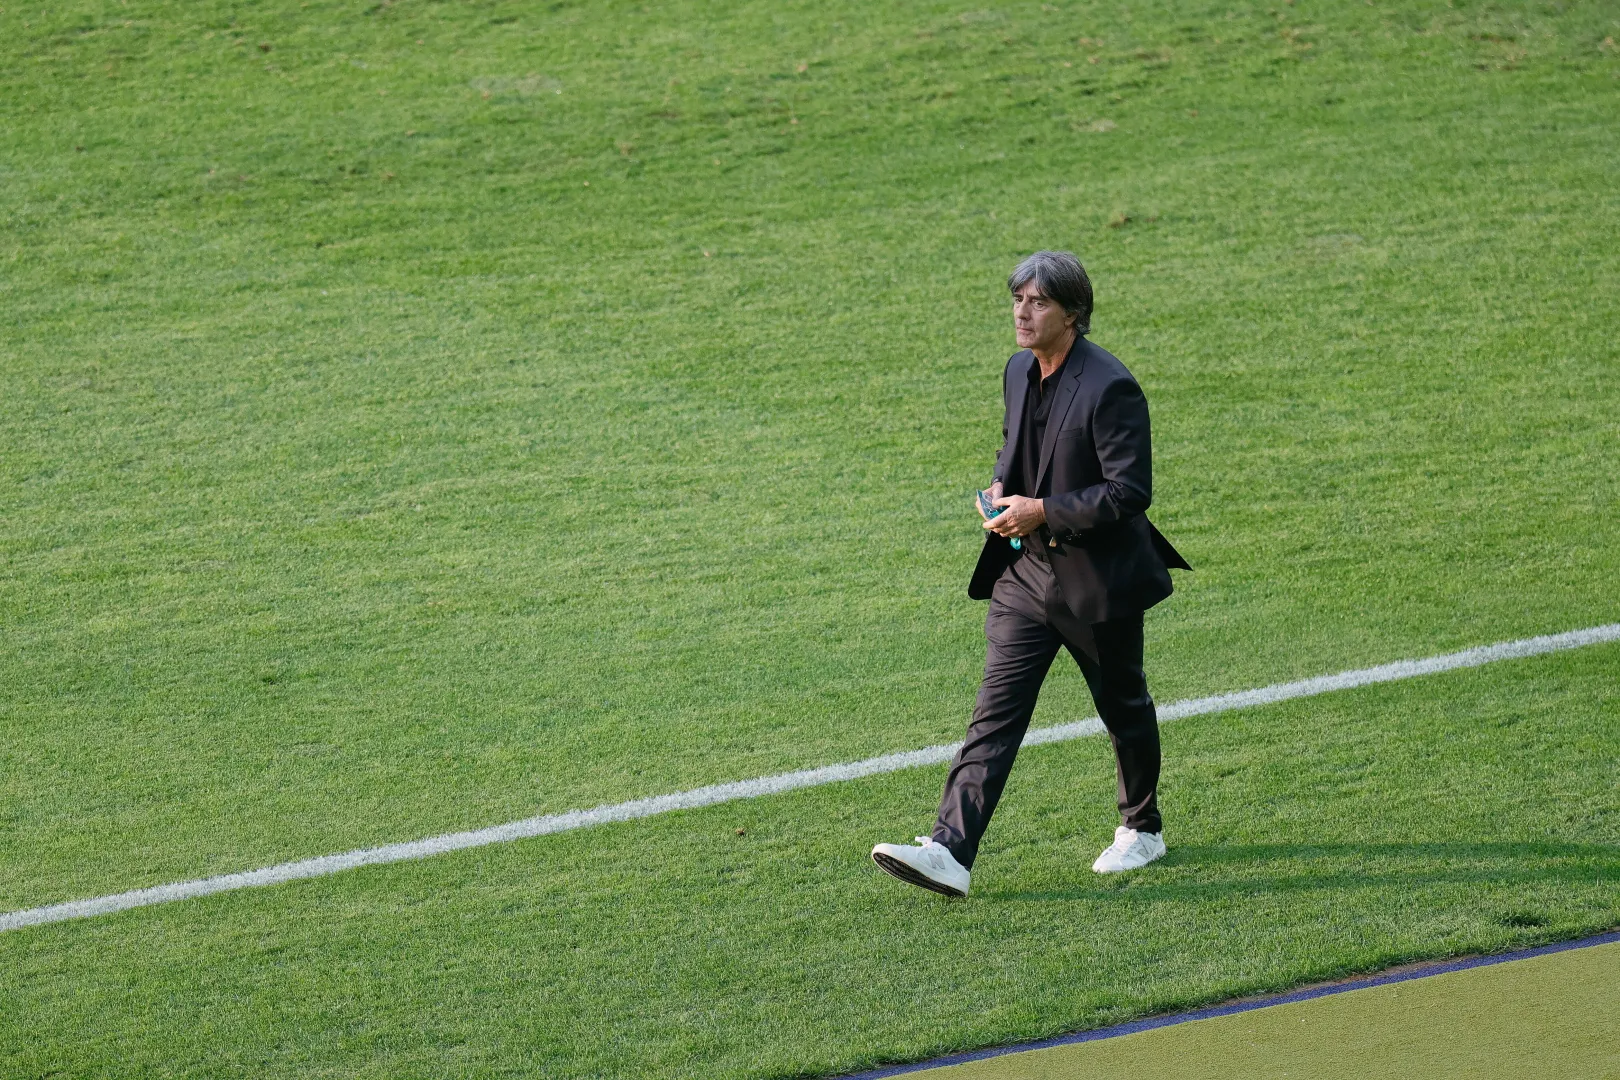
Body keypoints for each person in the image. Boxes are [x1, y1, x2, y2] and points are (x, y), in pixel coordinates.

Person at [871, 251, 1190, 897]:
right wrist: (1000, 489)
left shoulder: (1111, 386)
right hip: (1025, 575)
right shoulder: (1019, 371)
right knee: (994, 713)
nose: (1023, 311)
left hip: (1097, 581)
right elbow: (1018, 448)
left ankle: (1143, 827)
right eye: (1018, 298)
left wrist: (1044, 509)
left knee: (1123, 705)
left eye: (1039, 301)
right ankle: (951, 852)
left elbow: (1130, 492)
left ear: (1073, 313)